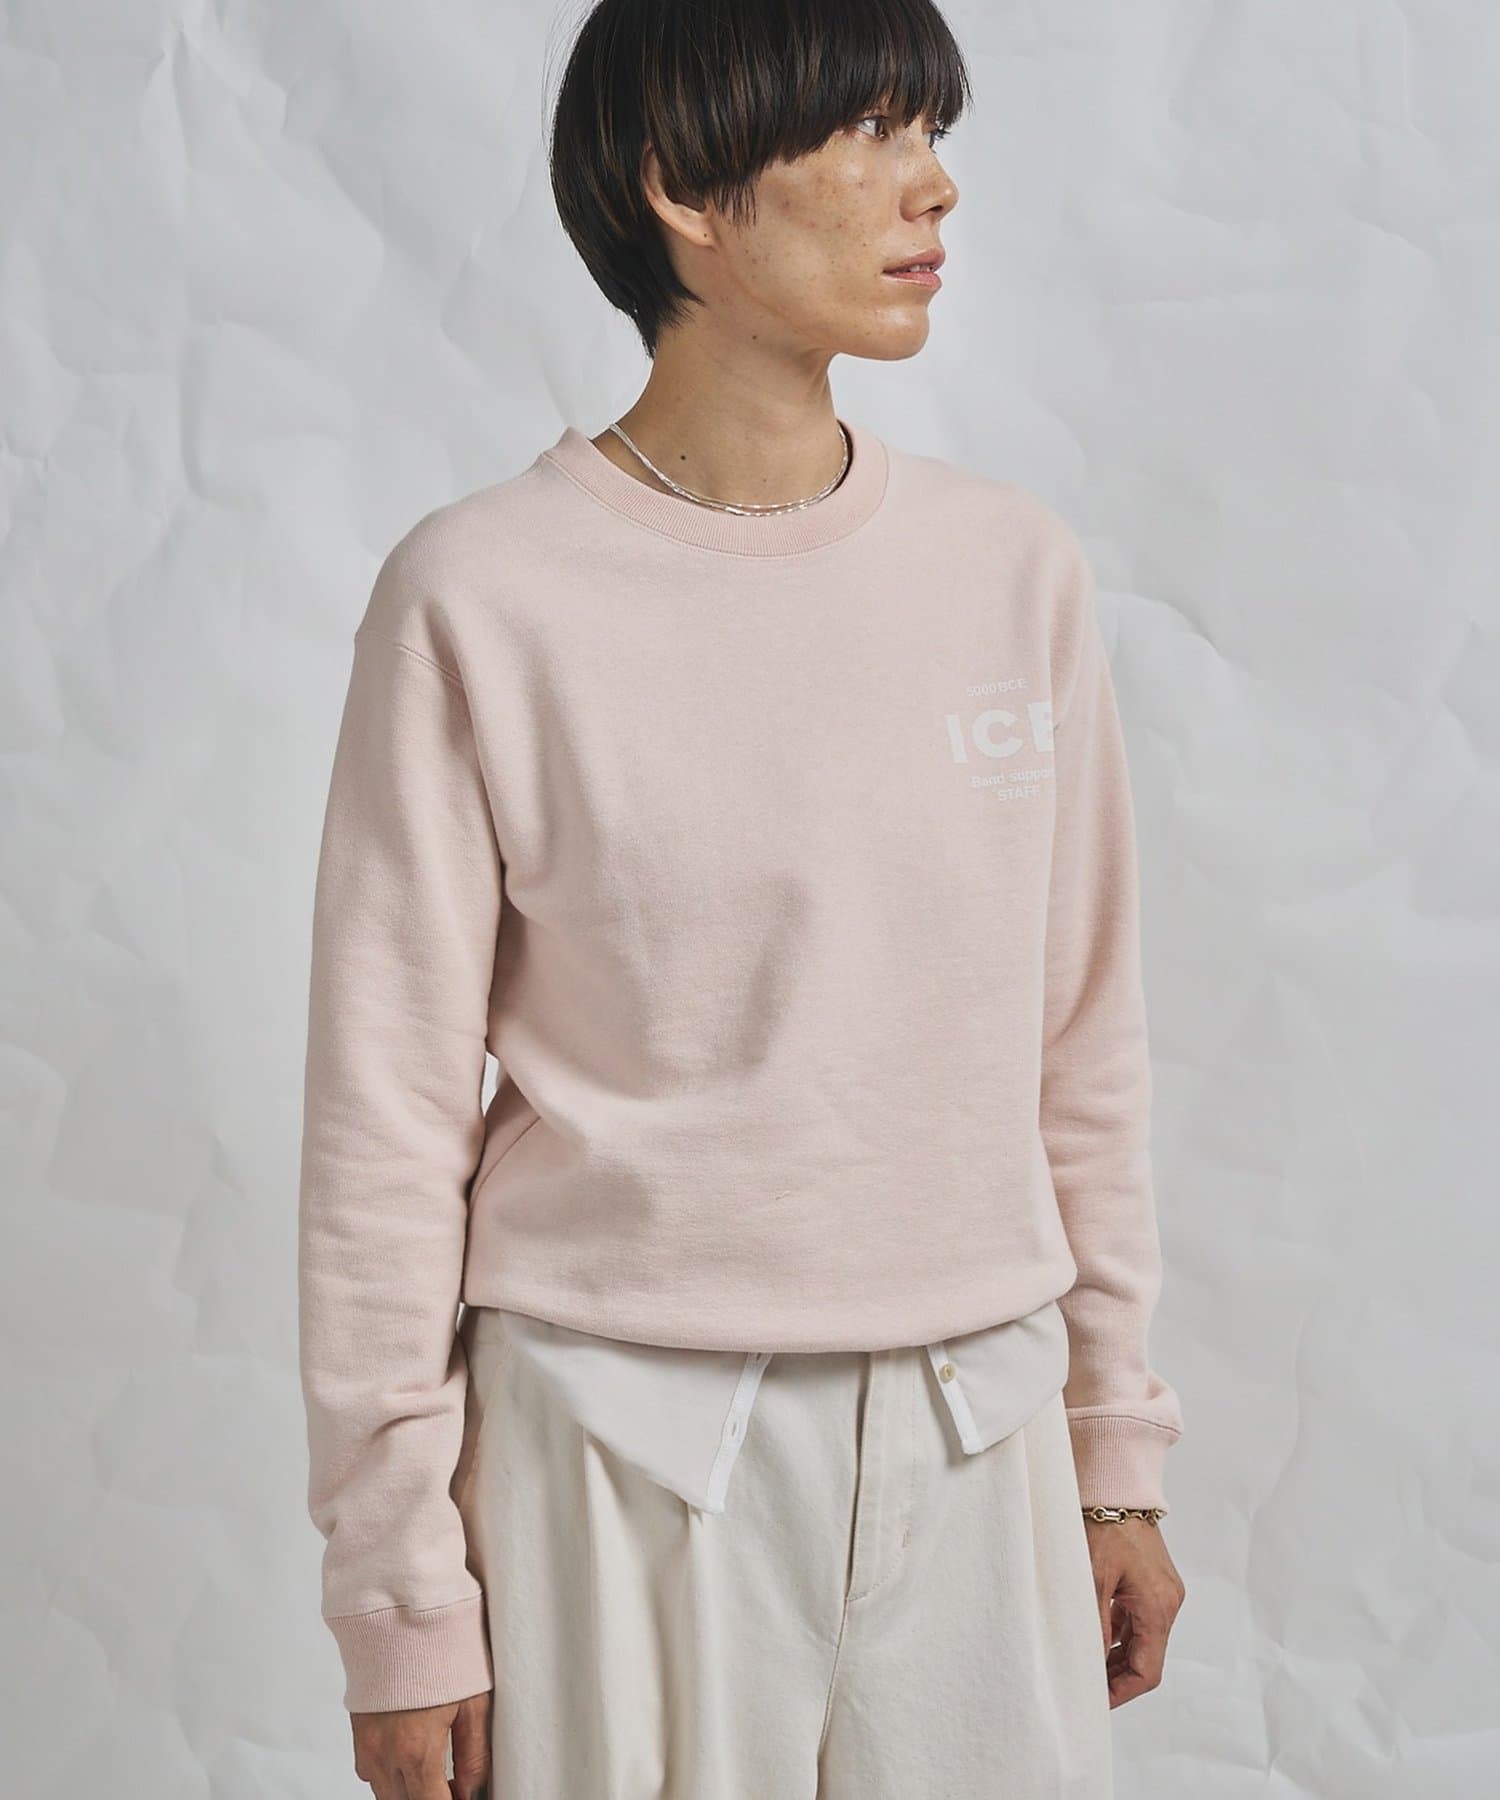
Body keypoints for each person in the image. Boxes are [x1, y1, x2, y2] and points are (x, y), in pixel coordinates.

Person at [296, 1, 1188, 1794]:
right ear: (684, 191)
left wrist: (1114, 1447)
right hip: (613, 1448)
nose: (931, 184)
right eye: (868, 131)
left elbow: (1081, 1040)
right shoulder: (482, 596)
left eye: (927, 129)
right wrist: (399, 1589)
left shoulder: (1011, 572)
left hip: (982, 1422)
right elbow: (385, 1115)